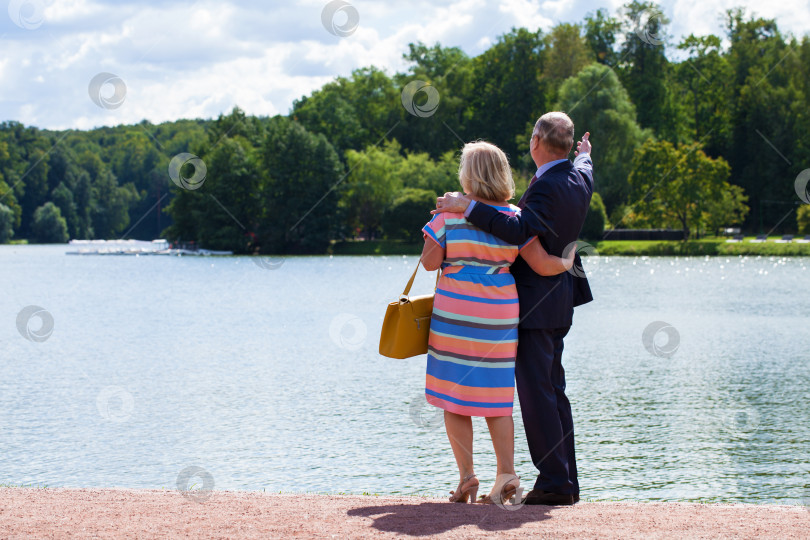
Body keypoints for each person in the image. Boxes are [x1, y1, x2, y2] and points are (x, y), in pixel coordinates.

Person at [433, 112, 594, 506]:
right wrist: (586, 155)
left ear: (536, 140)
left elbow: (519, 230)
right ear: (570, 147)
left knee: (538, 395)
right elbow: (587, 167)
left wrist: (465, 206)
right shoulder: (579, 176)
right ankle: (564, 479)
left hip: (536, 307)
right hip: (558, 303)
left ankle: (556, 482)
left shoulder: (546, 187)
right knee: (554, 392)